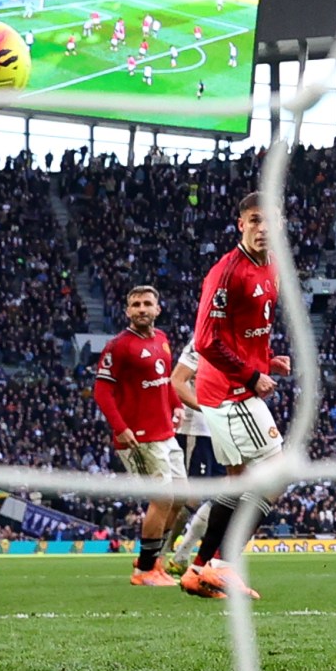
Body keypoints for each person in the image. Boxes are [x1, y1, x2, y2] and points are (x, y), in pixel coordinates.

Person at [179, 194, 290, 600]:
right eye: (255, 220)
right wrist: (251, 374)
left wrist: (267, 361)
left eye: (270, 221)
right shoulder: (226, 272)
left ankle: (197, 570)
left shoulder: (270, 268)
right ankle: (225, 564)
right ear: (241, 224)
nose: (263, 228)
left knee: (238, 481)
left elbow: (247, 330)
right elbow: (206, 341)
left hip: (235, 385)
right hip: (227, 391)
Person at [95, 285, 184, 587]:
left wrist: (176, 405)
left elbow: (165, 380)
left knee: (180, 498)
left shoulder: (162, 339)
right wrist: (121, 427)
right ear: (127, 312)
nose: (142, 309)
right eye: (135, 305)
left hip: (166, 432)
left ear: (158, 308)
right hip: (140, 437)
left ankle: (153, 561)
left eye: (147, 303)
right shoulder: (119, 346)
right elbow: (102, 391)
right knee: (162, 498)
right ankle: (145, 570)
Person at [159, 343, 216, 576]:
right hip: (196, 431)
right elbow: (176, 381)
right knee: (189, 498)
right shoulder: (201, 341)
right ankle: (160, 553)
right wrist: (206, 408)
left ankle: (181, 554)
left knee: (223, 496)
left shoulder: (239, 338)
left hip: (221, 432)